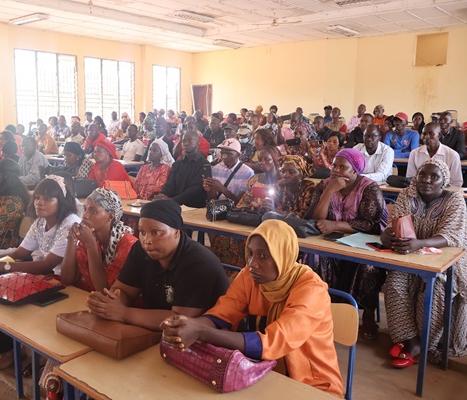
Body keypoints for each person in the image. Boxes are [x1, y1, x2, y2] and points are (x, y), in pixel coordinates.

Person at [160, 220, 344, 397]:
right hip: (261, 372)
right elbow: (223, 313)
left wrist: (201, 331)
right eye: (250, 253)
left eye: (263, 256)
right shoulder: (250, 276)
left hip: (311, 385)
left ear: (283, 255)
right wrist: (187, 325)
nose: (252, 263)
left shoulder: (311, 290)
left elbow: (272, 342)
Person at [0, 176, 80, 371]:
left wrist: (2, 267)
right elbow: (20, 253)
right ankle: (8, 349)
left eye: (48, 199)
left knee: (3, 282)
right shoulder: (40, 222)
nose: (40, 202)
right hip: (43, 277)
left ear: (61, 202)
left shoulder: (70, 223)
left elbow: (46, 265)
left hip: (64, 283)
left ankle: (28, 355)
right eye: (37, 197)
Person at [85, 199, 230, 331]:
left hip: (206, 342)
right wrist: (109, 304)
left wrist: (123, 313)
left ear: (176, 232)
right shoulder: (140, 250)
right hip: (159, 333)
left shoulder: (198, 263)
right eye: (142, 232)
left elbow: (179, 320)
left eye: (156, 232)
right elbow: (124, 290)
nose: (147, 240)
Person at [381, 159, 467, 367]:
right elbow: (397, 224)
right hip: (411, 257)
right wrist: (388, 235)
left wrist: (419, 243)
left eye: (434, 176)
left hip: (448, 262)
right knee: (394, 283)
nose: (426, 180)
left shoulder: (454, 200)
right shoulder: (407, 195)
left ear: (443, 180)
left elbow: (451, 236)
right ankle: (411, 340)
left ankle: (426, 342)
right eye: (422, 175)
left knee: (435, 287)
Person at [306, 148, 388, 340]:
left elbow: (371, 223)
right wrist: (328, 191)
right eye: (334, 165)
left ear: (355, 171)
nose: (336, 170)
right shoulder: (325, 185)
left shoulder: (369, 187)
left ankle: (367, 314)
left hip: (365, 241)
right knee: (313, 257)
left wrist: (335, 224)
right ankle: (324, 309)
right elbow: (315, 219)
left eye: (343, 167)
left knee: (368, 267)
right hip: (331, 241)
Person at [61, 188, 137, 292]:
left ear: (110, 216)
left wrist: (91, 245)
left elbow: (104, 290)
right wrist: (71, 239)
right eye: (85, 209)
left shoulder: (128, 245)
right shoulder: (91, 236)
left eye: (93, 211)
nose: (85, 215)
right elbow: (67, 279)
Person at [158, 131, 208, 208]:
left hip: (194, 207)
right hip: (175, 205)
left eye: (190, 140)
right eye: (184, 140)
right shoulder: (177, 164)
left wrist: (172, 201)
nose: (186, 143)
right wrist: (162, 194)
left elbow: (195, 190)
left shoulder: (204, 165)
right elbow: (170, 184)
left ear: (198, 144)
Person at [406, 122, 463, 187]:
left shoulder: (452, 155)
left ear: (439, 135)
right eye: (424, 134)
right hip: (420, 192)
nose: (427, 137)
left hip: (444, 194)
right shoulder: (414, 153)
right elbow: (411, 179)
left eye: (431, 134)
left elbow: (456, 183)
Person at [203, 139, 254, 203]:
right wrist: (209, 190)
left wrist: (222, 189)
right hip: (218, 209)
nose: (224, 156)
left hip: (235, 211)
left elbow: (241, 202)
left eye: (229, 153)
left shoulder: (247, 173)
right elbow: (212, 199)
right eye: (222, 153)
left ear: (238, 155)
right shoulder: (216, 169)